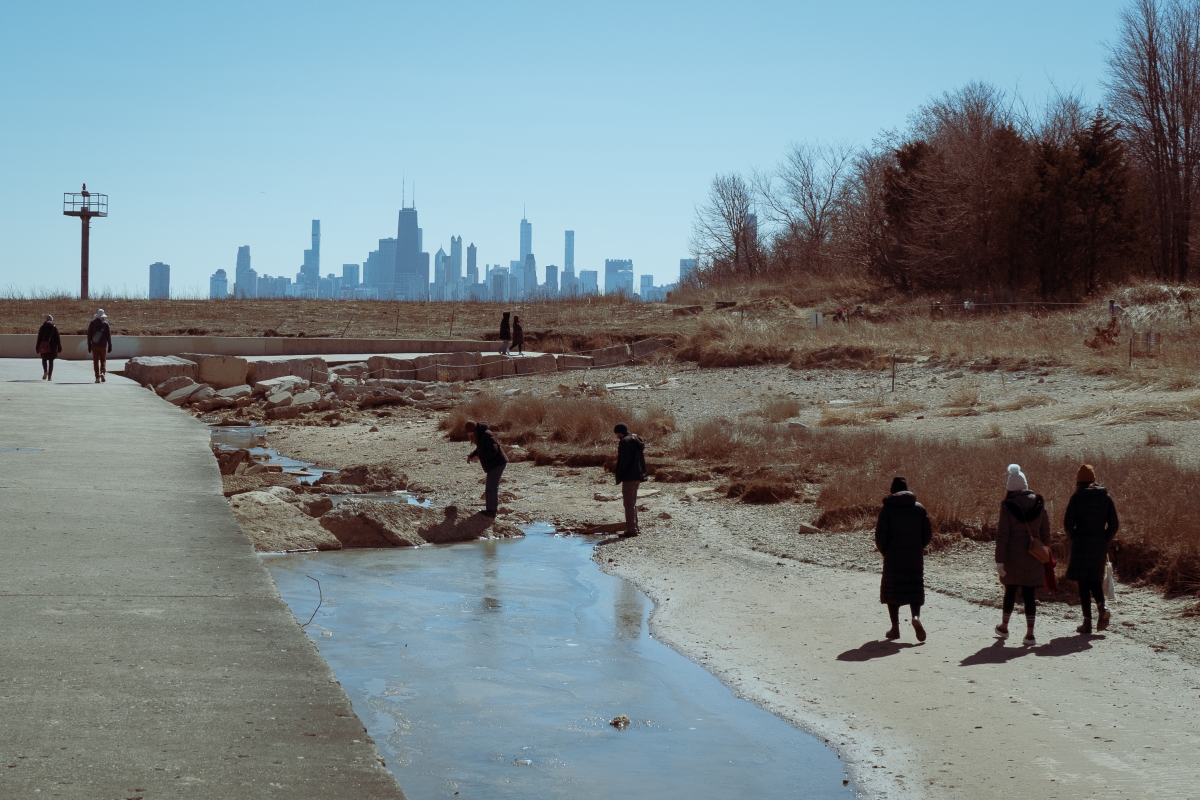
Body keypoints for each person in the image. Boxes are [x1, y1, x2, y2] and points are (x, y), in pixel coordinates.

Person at [994, 464, 1051, 646]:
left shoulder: (1007, 507)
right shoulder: (1040, 505)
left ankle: (1004, 627)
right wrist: (1044, 554)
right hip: (1034, 555)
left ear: (1010, 488)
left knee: (1010, 591)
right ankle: (1030, 634)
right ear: (1025, 485)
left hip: (1012, 555)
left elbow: (1003, 535)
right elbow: (1046, 534)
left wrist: (999, 560)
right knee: (1029, 594)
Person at [874, 476, 932, 641]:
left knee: (893, 591)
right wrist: (918, 547)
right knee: (914, 588)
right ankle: (915, 617)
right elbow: (927, 534)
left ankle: (895, 628)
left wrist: (886, 552)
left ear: (892, 490)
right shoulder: (919, 509)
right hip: (914, 556)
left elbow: (880, 537)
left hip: (893, 557)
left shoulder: (887, 510)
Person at [1064, 464, 1120, 634]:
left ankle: (1087, 622)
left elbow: (1067, 523)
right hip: (1099, 544)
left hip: (1081, 542)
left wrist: (1074, 537)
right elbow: (1114, 524)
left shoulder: (1076, 498)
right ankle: (1102, 607)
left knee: (1083, 581)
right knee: (1095, 579)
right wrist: (1105, 538)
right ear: (1094, 479)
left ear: (1078, 481)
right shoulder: (1106, 497)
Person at [465, 420, 507, 517]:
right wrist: (472, 456)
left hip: (498, 463)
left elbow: (493, 450)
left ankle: (492, 512)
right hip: (493, 464)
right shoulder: (480, 435)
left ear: (474, 430)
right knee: (489, 487)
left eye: (470, 432)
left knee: (492, 487)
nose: (470, 434)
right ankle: (490, 510)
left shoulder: (487, 434)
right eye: (468, 432)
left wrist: (479, 457)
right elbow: (479, 449)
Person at [613, 423, 647, 537]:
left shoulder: (624, 442)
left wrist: (619, 473)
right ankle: (635, 527)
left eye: (617, 434)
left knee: (628, 504)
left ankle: (631, 530)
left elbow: (624, 461)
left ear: (620, 433)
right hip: (638, 475)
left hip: (629, 477)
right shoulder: (636, 438)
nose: (616, 436)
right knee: (632, 503)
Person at [86, 309, 112, 383]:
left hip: (94, 345)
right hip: (103, 346)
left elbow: (89, 335)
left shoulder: (92, 323)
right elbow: (108, 336)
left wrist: (89, 345)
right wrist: (110, 345)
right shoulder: (106, 324)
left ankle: (97, 378)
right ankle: (102, 373)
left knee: (95, 361)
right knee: (103, 360)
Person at [35, 314, 62, 380]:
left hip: (43, 346)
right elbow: (58, 338)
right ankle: (49, 376)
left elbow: (39, 338)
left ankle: (45, 371)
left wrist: (37, 347)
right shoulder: (54, 327)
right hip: (52, 347)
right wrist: (59, 346)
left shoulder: (42, 327)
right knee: (51, 361)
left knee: (44, 359)